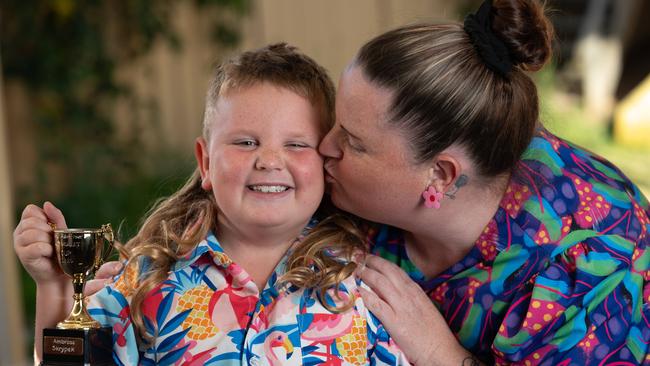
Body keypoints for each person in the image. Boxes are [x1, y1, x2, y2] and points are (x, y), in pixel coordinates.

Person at [14, 43, 408, 365]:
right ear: (205, 163)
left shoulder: (362, 281)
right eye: (245, 142)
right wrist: (55, 289)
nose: (269, 160)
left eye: (297, 144)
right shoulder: (146, 277)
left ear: (325, 161)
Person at [317, 0, 650, 364]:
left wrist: (440, 354)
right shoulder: (347, 190)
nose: (324, 146)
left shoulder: (590, 272)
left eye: (353, 142)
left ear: (440, 175)